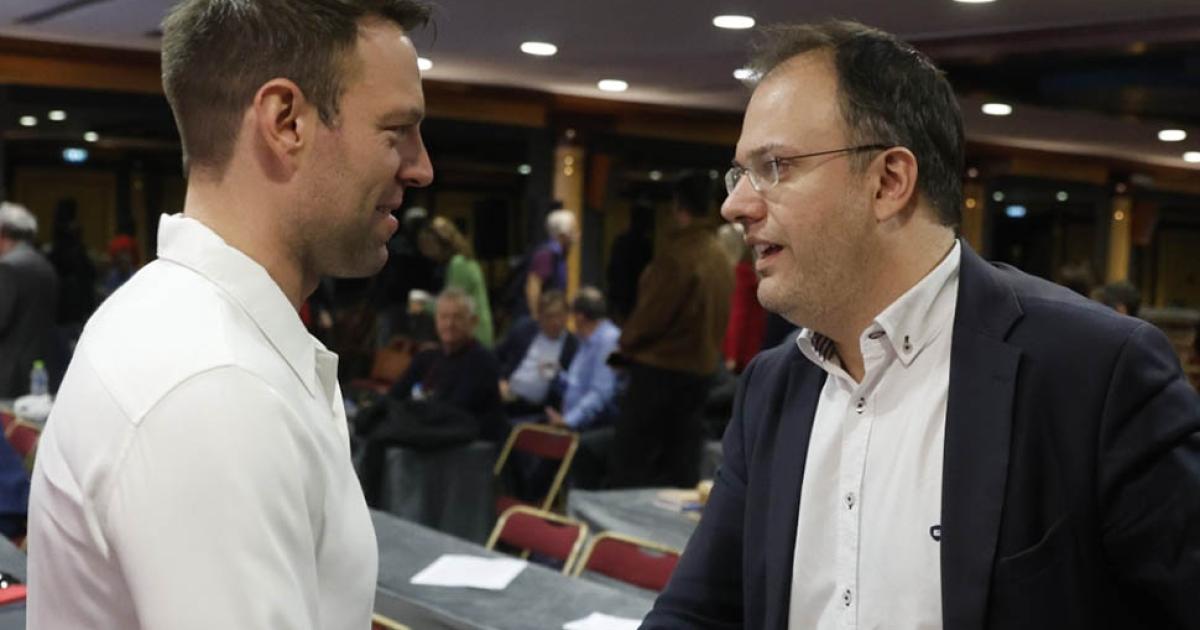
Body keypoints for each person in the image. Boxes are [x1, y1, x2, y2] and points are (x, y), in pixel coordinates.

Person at [644, 20, 1200, 630]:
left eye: (774, 166)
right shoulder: (771, 387)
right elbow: (698, 613)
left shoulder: (1095, 372)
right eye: (739, 174)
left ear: (889, 181)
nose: (736, 205)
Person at [26, 1, 434, 628]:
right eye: (396, 130)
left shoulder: (178, 324)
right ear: (286, 121)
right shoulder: (214, 384)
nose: (421, 167)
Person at [608, 173, 733, 488]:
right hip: (701, 373)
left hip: (659, 374)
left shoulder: (678, 255)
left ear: (678, 207)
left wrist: (625, 344)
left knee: (633, 472)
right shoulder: (720, 256)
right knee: (680, 471)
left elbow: (651, 317)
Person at [390, 287, 504, 440]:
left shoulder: (482, 362)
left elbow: (453, 410)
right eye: (444, 317)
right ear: (436, 321)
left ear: (473, 322)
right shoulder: (427, 357)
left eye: (457, 317)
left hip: (467, 442)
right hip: (427, 431)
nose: (449, 324)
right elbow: (394, 395)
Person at [0, 202, 58, 398]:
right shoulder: (44, 265)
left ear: (3, 231)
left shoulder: (7, 267)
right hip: (40, 369)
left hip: (7, 373)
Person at [496, 289, 577, 416]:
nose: (556, 322)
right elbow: (494, 357)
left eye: (560, 315)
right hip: (507, 400)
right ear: (539, 317)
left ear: (567, 315)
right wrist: (500, 380)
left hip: (539, 411)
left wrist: (558, 375)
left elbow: (575, 387)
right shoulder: (524, 329)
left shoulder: (572, 346)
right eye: (550, 316)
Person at [417, 215, 495, 345]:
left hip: (473, 335)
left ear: (440, 244)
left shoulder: (458, 264)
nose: (425, 252)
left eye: (427, 246)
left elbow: (452, 305)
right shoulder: (462, 260)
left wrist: (422, 303)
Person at [717, 222, 766, 372]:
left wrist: (733, 355)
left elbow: (738, 317)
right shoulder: (751, 272)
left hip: (740, 354)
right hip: (751, 348)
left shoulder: (738, 274)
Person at [522, 208, 577, 318]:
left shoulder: (559, 254)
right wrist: (536, 317)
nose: (577, 235)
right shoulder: (547, 254)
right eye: (573, 231)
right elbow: (533, 286)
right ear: (563, 234)